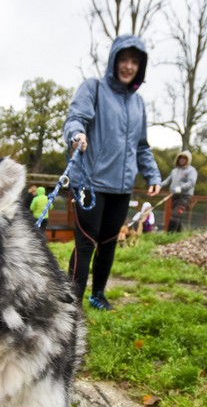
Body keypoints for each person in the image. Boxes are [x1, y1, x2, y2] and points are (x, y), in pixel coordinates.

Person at [63, 34, 161, 311]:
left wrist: (152, 174)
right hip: (90, 182)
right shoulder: (93, 88)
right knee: (86, 243)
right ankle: (73, 303)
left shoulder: (138, 103)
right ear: (114, 60)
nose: (128, 66)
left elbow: (142, 146)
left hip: (121, 187)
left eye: (134, 61)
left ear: (140, 67)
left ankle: (98, 295)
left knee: (108, 243)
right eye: (124, 59)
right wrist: (77, 134)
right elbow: (75, 118)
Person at [161, 150, 198, 232]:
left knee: (175, 215)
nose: (182, 159)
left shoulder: (191, 171)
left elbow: (191, 183)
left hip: (184, 196)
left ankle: (169, 235)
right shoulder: (174, 171)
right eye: (180, 157)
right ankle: (178, 234)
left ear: (188, 160)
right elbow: (167, 181)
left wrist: (181, 188)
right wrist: (158, 185)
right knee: (176, 216)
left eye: (185, 158)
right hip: (174, 195)